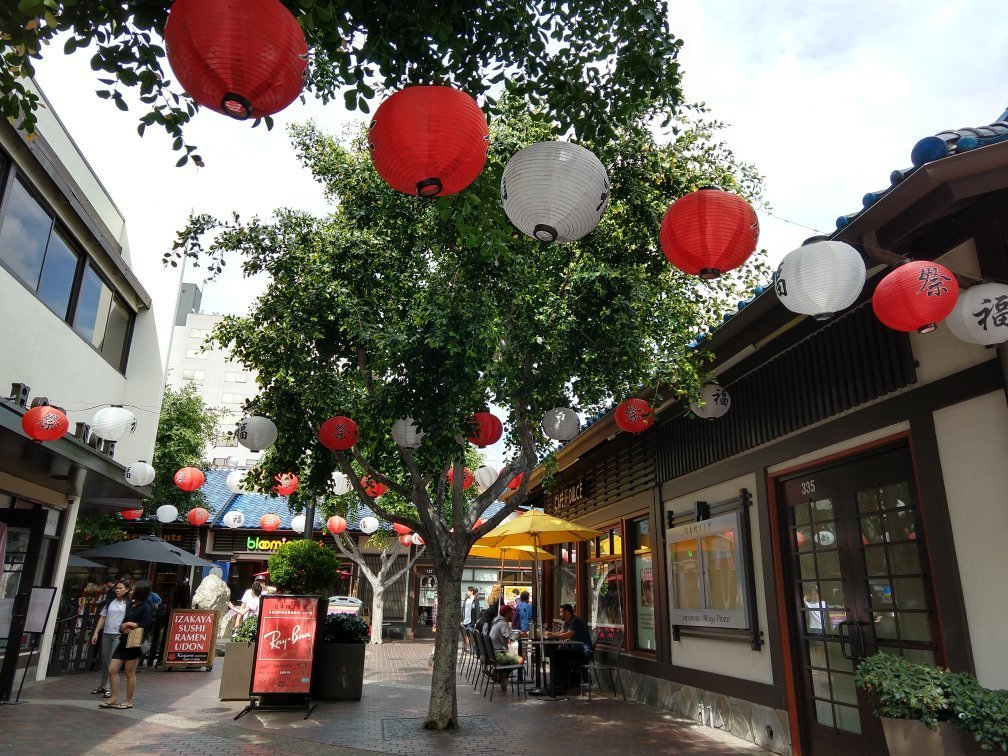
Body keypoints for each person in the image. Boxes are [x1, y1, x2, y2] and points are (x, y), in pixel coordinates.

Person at [100, 585, 152, 710]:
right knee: (112, 669)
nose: (131, 592)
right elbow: (124, 620)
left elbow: (146, 625)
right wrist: (123, 626)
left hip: (134, 643)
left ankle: (128, 701)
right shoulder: (130, 605)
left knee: (130, 673)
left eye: (134, 590)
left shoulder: (145, 607)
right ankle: (114, 698)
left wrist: (132, 624)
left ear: (140, 592)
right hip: (123, 640)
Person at [89, 579, 130, 698]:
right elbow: (102, 617)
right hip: (107, 633)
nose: (117, 590)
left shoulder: (128, 604)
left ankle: (110, 688)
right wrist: (96, 632)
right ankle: (103, 685)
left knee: (113, 662)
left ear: (127, 589)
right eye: (116, 588)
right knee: (105, 660)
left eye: (120, 588)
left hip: (119, 634)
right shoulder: (110, 602)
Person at [543, 603, 593, 694]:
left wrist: (552, 635)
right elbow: (561, 633)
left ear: (567, 612)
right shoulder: (567, 622)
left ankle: (563, 684)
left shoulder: (575, 621)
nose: (560, 614)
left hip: (584, 651)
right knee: (557, 653)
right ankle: (557, 682)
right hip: (576, 649)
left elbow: (568, 635)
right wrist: (551, 634)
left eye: (561, 612)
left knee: (561, 655)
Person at [489, 605, 526, 692]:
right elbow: (511, 636)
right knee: (521, 660)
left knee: (511, 661)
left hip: (493, 653)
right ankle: (502, 673)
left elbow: (507, 634)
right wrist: (521, 634)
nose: (513, 614)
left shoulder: (497, 622)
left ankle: (502, 674)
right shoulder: (503, 623)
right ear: (507, 614)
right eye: (511, 612)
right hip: (499, 654)